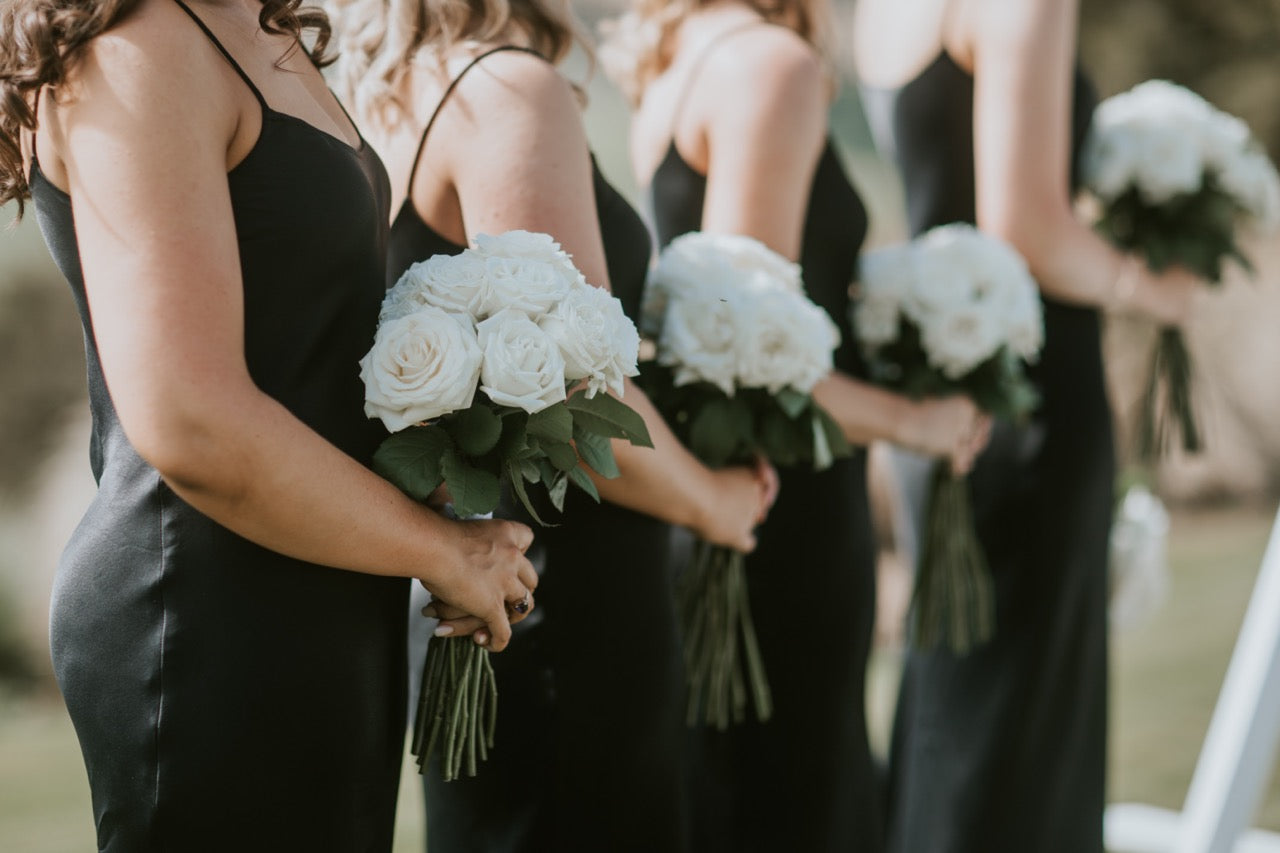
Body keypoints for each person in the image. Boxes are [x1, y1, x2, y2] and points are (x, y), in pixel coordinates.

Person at [0, 0, 543, 849]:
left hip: (323, 592)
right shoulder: (139, 47)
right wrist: (442, 553)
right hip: (203, 615)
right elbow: (189, 420)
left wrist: (439, 462)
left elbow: (301, 343)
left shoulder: (253, 22)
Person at [326, 1, 779, 849]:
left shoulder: (378, 100)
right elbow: (578, 404)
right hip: (571, 607)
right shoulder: (508, 92)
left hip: (478, 590)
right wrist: (714, 501)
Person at [609, 0, 991, 848]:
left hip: (721, 503)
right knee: (800, 800)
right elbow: (753, 361)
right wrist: (916, 421)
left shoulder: (676, 57)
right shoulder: (770, 66)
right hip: (786, 510)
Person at [852, 0, 1204, 850]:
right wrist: (1153, 288)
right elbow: (1029, 230)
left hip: (937, 409)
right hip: (1029, 407)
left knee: (954, 724)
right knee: (1031, 743)